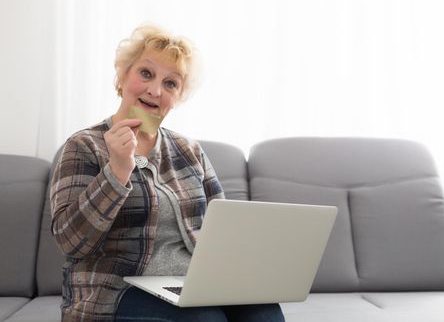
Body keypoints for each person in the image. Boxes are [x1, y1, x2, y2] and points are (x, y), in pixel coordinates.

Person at [50, 25, 285, 322]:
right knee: (205, 319)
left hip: (190, 284)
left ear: (178, 97)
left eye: (171, 83)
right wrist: (118, 170)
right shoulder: (84, 145)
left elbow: (223, 230)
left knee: (265, 313)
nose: (155, 90)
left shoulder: (189, 150)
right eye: (146, 74)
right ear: (122, 77)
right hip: (116, 290)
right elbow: (70, 241)